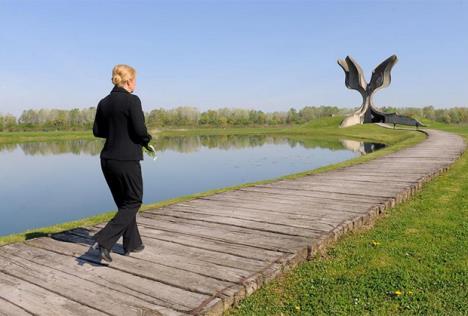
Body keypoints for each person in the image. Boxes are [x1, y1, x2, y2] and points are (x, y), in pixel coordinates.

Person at [91, 64, 153, 262]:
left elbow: (98, 131)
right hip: (126, 159)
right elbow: (140, 131)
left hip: (107, 159)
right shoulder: (132, 101)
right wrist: (146, 141)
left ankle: (133, 243)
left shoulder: (103, 102)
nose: (136, 84)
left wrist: (116, 130)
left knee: (124, 204)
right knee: (134, 201)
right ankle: (104, 239)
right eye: (135, 80)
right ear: (128, 81)